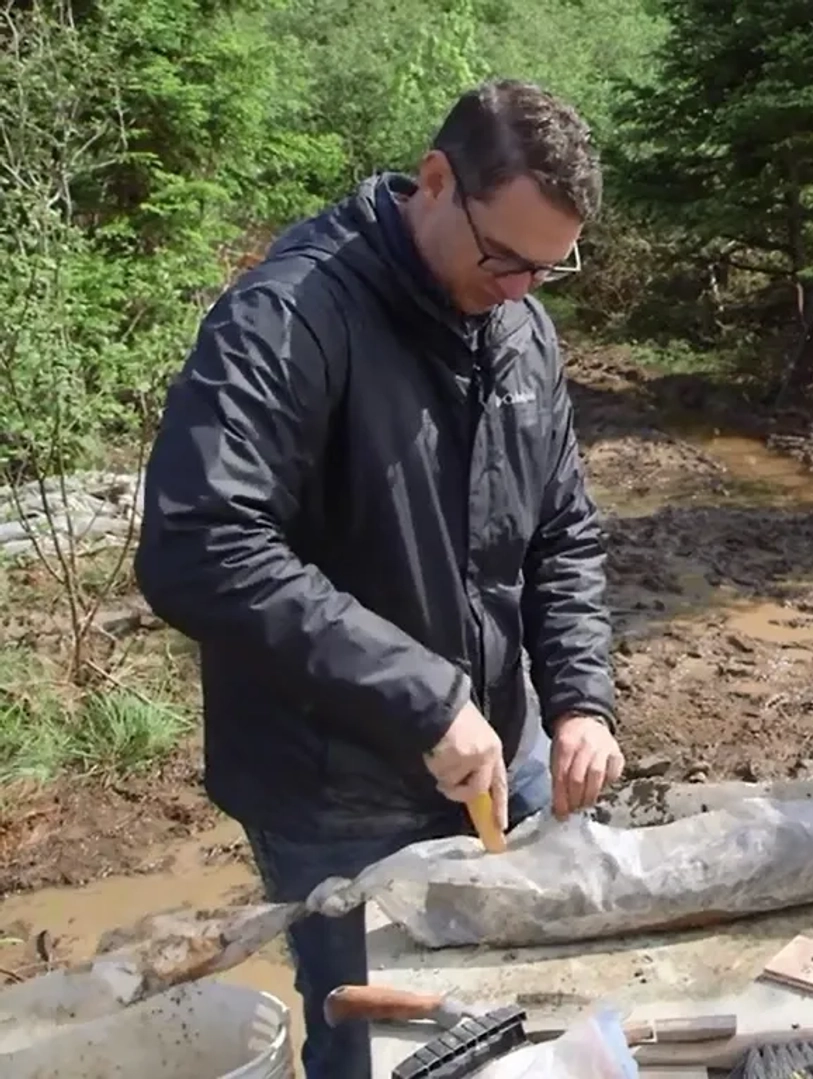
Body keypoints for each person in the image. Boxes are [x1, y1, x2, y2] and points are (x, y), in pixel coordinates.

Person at [134, 78, 625, 1079]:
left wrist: (579, 699)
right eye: (503, 258)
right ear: (436, 182)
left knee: (531, 1015)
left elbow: (563, 533)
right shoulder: (291, 316)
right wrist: (423, 697)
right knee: (377, 1048)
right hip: (333, 784)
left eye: (549, 269)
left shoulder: (520, 326)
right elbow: (199, 539)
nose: (522, 289)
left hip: (503, 746)